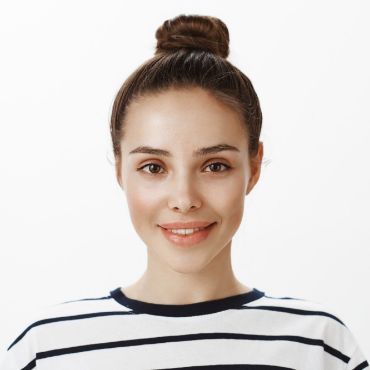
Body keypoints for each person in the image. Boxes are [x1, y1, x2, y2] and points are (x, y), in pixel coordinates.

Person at [1, 14, 368, 370]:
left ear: (254, 167)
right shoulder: (49, 350)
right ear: (119, 169)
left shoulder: (320, 348)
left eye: (215, 166)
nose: (183, 198)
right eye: (153, 168)